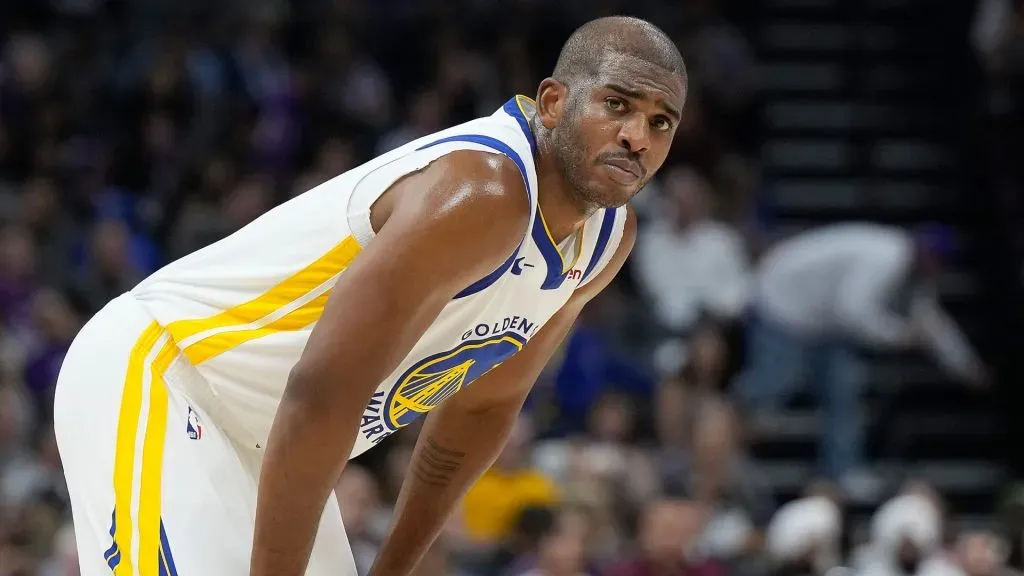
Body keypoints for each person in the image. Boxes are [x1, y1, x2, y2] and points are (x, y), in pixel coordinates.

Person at [52, 16, 687, 576]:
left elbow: (479, 413)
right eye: (618, 105)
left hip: (274, 442)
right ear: (552, 102)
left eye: (660, 122)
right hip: (167, 373)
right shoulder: (483, 190)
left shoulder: (604, 241)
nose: (638, 135)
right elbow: (321, 393)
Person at [733, 222, 988, 499]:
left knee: (844, 394)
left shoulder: (913, 272)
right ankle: (720, 445)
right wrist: (898, 335)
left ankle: (842, 472)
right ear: (924, 251)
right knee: (771, 385)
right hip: (784, 300)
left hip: (824, 320)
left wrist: (965, 365)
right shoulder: (885, 259)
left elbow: (930, 321)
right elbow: (852, 310)